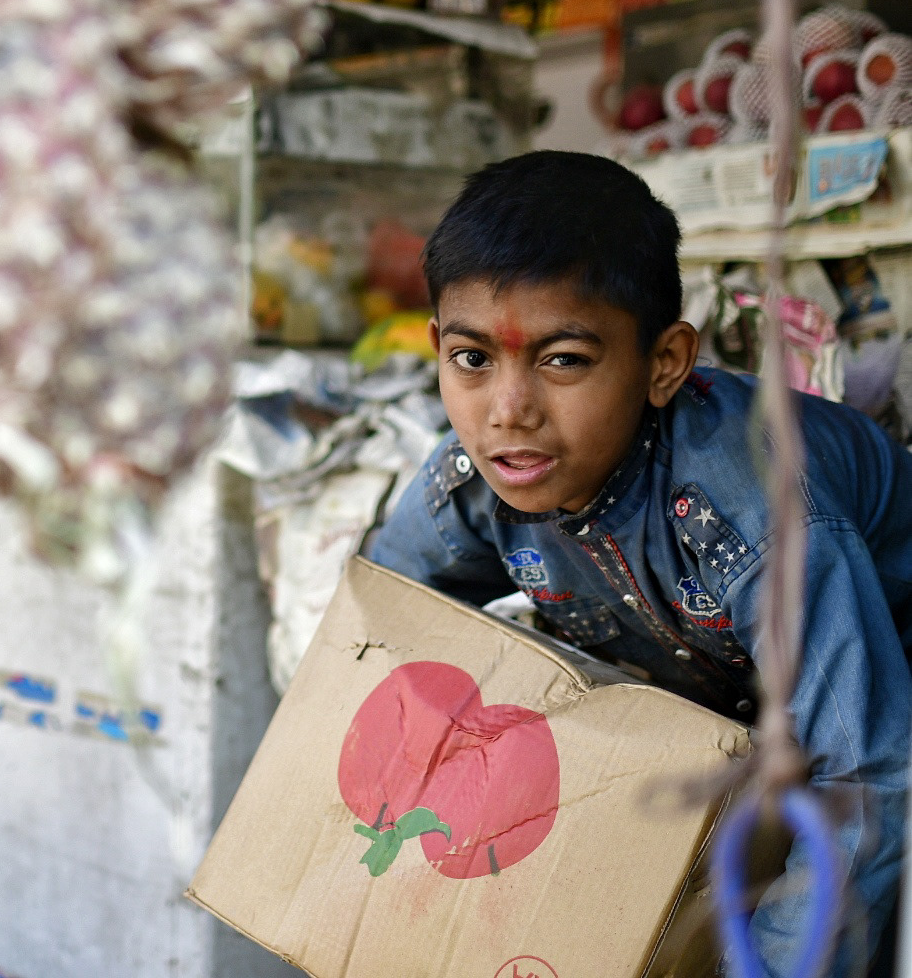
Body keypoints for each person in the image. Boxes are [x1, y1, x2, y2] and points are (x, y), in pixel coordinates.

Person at [364, 150, 911, 977]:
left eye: (564, 360)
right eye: (473, 359)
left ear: (665, 363)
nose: (507, 411)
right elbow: (386, 622)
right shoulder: (473, 479)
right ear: (439, 347)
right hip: (738, 714)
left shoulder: (753, 510)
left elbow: (870, 779)